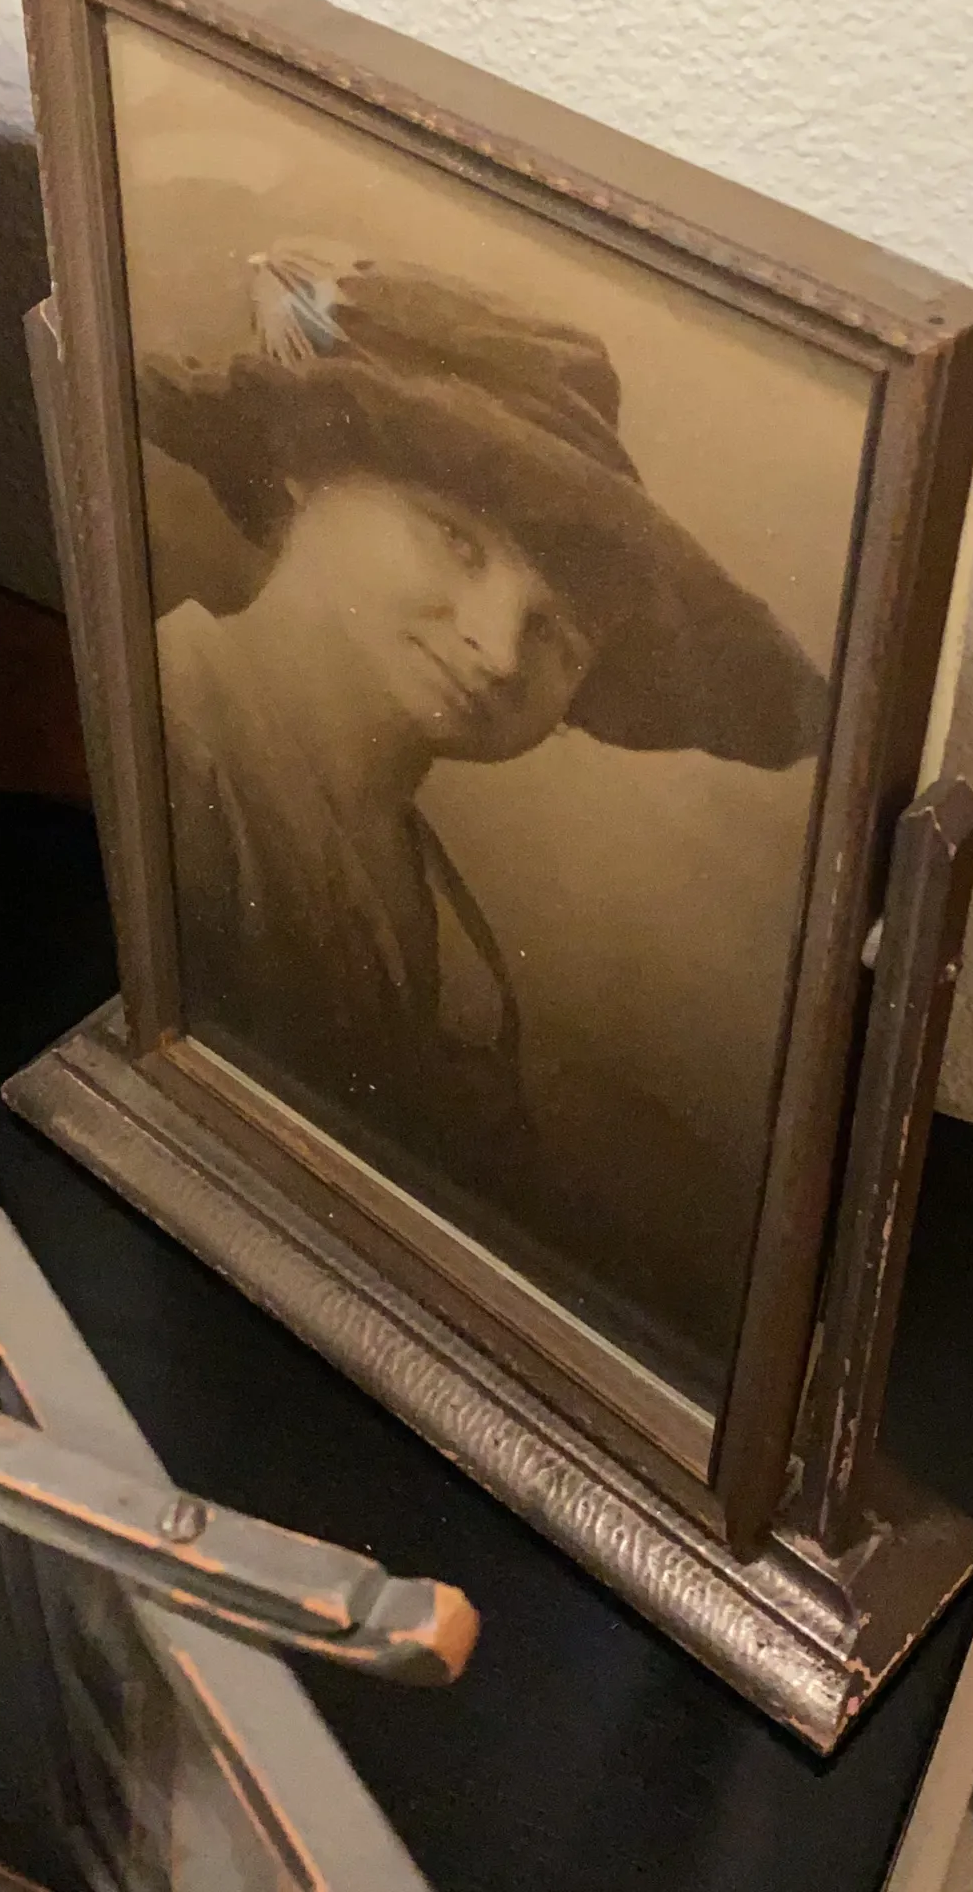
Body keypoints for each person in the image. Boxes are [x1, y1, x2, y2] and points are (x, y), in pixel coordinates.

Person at [137, 247, 828, 1231]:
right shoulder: (172, 734)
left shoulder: (444, 920)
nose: (499, 651)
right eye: (454, 541)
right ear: (304, 461)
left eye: (556, 634)